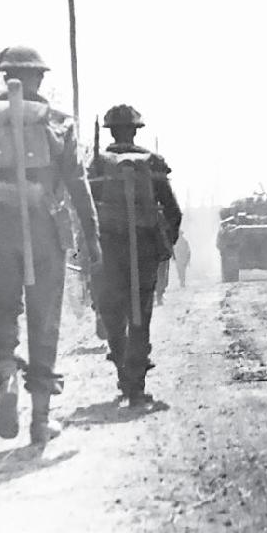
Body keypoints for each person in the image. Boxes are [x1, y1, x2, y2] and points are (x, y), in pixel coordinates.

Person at [0, 45, 101, 444]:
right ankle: (40, 420)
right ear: (41, 79)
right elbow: (79, 186)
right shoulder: (59, 123)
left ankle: (6, 372)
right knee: (44, 320)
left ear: (2, 76)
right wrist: (92, 239)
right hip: (45, 232)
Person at [89, 104, 181, 405]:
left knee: (113, 312)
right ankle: (137, 384)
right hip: (144, 249)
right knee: (140, 313)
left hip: (109, 249)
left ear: (111, 131)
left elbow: (86, 209)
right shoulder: (153, 163)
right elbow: (174, 211)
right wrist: (163, 246)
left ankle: (122, 372)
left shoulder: (99, 163)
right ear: (136, 130)